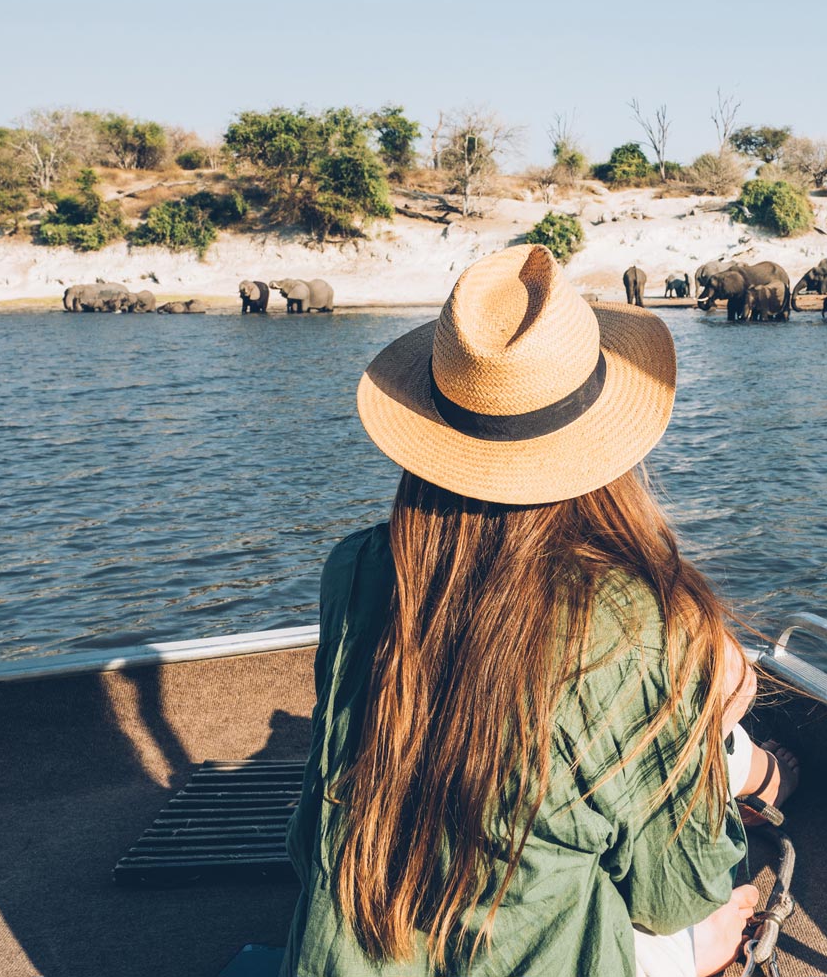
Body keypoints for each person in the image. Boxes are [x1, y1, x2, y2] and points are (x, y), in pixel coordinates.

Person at [282, 244, 795, 977]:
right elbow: (673, 892)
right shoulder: (642, 622)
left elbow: (307, 842)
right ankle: (756, 778)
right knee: (713, 921)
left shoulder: (355, 570)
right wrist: (701, 721)